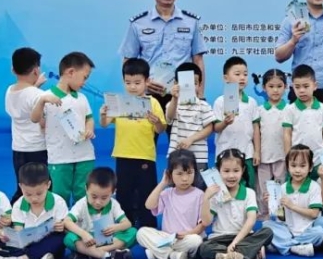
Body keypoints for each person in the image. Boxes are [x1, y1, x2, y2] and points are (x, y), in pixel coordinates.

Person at [119, 0, 206, 106]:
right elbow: (128, 61)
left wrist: (200, 96)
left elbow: (198, 60)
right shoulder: (138, 23)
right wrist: (143, 83)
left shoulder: (191, 22)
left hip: (184, 94)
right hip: (148, 95)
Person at [99, 58, 166, 229]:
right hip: (123, 155)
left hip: (145, 156)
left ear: (147, 81)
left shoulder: (153, 103)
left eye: (137, 82)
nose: (132, 87)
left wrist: (157, 121)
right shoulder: (118, 102)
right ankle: (125, 225)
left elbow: (160, 129)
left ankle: (148, 227)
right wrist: (103, 114)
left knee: (146, 192)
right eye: (128, 82)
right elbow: (105, 124)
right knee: (124, 192)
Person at [30, 51, 96, 205]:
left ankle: (82, 219)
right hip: (59, 157)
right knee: (59, 196)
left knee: (84, 194)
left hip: (85, 155)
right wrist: (42, 101)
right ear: (71, 72)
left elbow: (89, 118)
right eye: (84, 77)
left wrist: (89, 129)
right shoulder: (46, 96)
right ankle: (60, 220)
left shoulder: (82, 98)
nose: (85, 83)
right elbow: (34, 118)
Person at [198, 149, 274, 259]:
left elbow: (251, 221)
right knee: (204, 248)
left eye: (236, 171)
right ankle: (245, 254)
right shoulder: (215, 194)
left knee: (267, 232)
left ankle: (225, 256)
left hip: (244, 237)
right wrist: (206, 198)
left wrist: (235, 243)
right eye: (226, 171)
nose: (231, 175)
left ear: (242, 170)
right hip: (220, 238)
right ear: (218, 171)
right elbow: (206, 222)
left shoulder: (249, 193)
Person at [0, 162, 69, 259]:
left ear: (48, 185)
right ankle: (38, 257)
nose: (34, 198)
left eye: (39, 193)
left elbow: (65, 228)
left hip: (48, 242)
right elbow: (18, 232)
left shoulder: (58, 202)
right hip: (27, 244)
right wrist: (8, 237)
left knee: (60, 239)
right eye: (28, 194)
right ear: (20, 187)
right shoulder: (18, 205)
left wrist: (61, 227)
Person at [137, 149, 205, 259]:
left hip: (187, 237)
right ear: (170, 174)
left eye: (189, 173)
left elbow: (202, 224)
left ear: (195, 172)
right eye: (179, 174)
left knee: (196, 241)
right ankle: (172, 255)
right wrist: (162, 183)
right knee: (141, 233)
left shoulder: (200, 195)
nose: (185, 178)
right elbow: (149, 205)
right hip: (167, 238)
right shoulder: (167, 193)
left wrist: (189, 233)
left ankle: (157, 253)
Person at [263, 145, 323, 257]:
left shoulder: (314, 187)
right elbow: (281, 218)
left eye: (302, 166)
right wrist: (272, 204)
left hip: (308, 230)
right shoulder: (282, 188)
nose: (297, 170)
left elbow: (314, 214)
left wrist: (292, 206)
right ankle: (296, 246)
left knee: (320, 233)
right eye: (293, 165)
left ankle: (286, 246)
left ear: (310, 167)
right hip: (287, 230)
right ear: (287, 167)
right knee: (266, 225)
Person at [62, 167, 137, 259]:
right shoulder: (81, 204)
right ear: (86, 189)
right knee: (69, 238)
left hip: (106, 239)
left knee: (133, 232)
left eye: (104, 198)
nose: (98, 202)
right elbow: (67, 221)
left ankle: (89, 253)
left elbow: (127, 223)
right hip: (87, 239)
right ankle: (106, 255)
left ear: (113, 192)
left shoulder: (114, 204)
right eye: (94, 196)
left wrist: (116, 227)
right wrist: (83, 234)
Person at [4, 47, 47, 201]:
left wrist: (35, 87)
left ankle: (12, 212)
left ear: (13, 69)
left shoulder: (10, 90)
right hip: (38, 149)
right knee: (41, 188)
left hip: (18, 149)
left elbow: (25, 98)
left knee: (23, 188)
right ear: (36, 70)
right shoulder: (39, 96)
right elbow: (43, 123)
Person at [213, 56, 261, 187]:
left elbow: (256, 128)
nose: (242, 78)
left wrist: (257, 151)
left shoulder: (251, 102)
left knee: (248, 188)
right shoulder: (220, 102)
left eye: (245, 74)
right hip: (224, 153)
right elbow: (215, 128)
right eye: (237, 74)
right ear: (226, 78)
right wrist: (225, 122)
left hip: (247, 154)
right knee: (224, 190)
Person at [166, 62, 215, 170]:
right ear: (176, 84)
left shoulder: (204, 105)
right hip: (176, 156)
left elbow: (209, 128)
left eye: (195, 83)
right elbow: (169, 118)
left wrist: (191, 139)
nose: (190, 87)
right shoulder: (173, 104)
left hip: (199, 158)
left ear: (200, 85)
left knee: (198, 181)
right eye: (185, 83)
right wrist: (174, 98)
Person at [255, 69, 289, 219]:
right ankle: (264, 215)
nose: (275, 90)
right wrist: (257, 152)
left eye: (279, 86)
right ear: (264, 88)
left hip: (282, 156)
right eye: (271, 86)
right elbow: (256, 133)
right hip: (263, 156)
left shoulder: (289, 109)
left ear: (286, 87)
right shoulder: (259, 110)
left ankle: (280, 215)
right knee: (263, 188)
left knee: (280, 186)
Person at [283, 65, 323, 155]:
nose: (301, 90)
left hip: (319, 157)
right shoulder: (289, 109)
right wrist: (288, 156)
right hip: (298, 158)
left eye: (306, 86)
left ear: (315, 86)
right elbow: (287, 134)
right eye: (297, 87)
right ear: (292, 87)